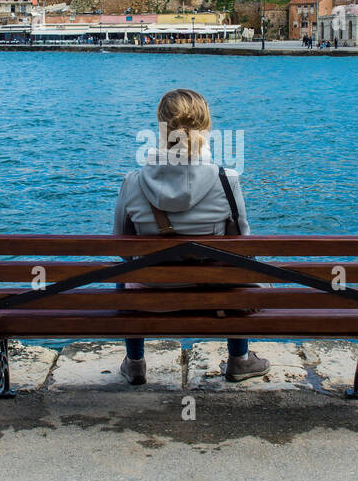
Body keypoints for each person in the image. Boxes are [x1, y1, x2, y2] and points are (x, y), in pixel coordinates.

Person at [112, 89, 270, 385]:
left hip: (150, 297)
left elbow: (122, 246)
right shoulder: (227, 180)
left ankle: (135, 362)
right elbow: (242, 247)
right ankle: (239, 359)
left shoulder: (132, 182)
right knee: (234, 269)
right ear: (206, 128)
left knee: (125, 273)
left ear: (161, 128)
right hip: (213, 298)